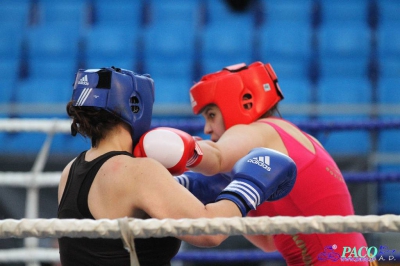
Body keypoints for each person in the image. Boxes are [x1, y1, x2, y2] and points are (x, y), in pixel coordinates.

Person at [134, 62, 376, 265]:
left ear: (244, 102)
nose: (207, 128)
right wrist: (231, 200)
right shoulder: (270, 153)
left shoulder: (261, 131)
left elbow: (216, 156)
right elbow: (270, 242)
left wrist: (175, 148)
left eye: (211, 115)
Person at [57, 66, 297, 266]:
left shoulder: (70, 170)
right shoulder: (137, 171)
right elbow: (209, 231)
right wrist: (250, 184)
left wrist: (189, 186)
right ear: (136, 105)